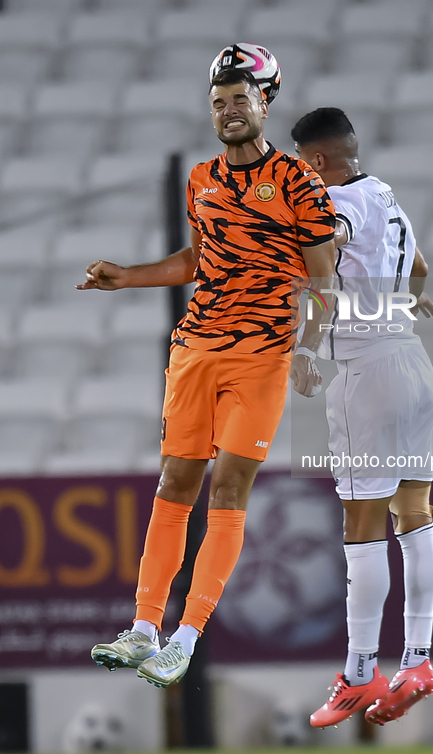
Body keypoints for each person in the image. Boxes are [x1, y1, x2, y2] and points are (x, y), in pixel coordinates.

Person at [79, 68, 336, 688]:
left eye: (239, 100)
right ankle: (143, 629)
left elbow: (325, 277)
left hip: (262, 352)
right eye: (218, 103)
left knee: (228, 486)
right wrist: (128, 275)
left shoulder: (297, 181)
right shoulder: (202, 180)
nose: (228, 111)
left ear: (263, 106)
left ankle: (186, 636)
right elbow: (198, 260)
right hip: (196, 347)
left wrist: (311, 347)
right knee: (175, 481)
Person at [290, 107, 433, 727]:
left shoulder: (333, 204)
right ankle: (418, 660)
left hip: (364, 374)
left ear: (317, 162)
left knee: (361, 522)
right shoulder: (385, 193)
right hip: (413, 363)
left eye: (301, 166)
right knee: (413, 514)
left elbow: (325, 276)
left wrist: (304, 351)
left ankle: (358, 672)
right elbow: (421, 269)